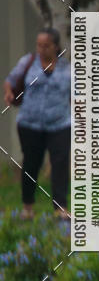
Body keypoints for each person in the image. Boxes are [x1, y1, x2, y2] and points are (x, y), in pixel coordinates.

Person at [4, 28, 71, 220]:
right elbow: (10, 80)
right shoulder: (28, 62)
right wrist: (8, 93)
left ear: (55, 46)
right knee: (31, 163)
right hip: (30, 123)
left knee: (60, 163)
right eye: (39, 45)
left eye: (46, 45)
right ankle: (28, 207)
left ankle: (60, 208)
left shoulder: (67, 68)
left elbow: (76, 94)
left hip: (59, 123)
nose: (41, 49)